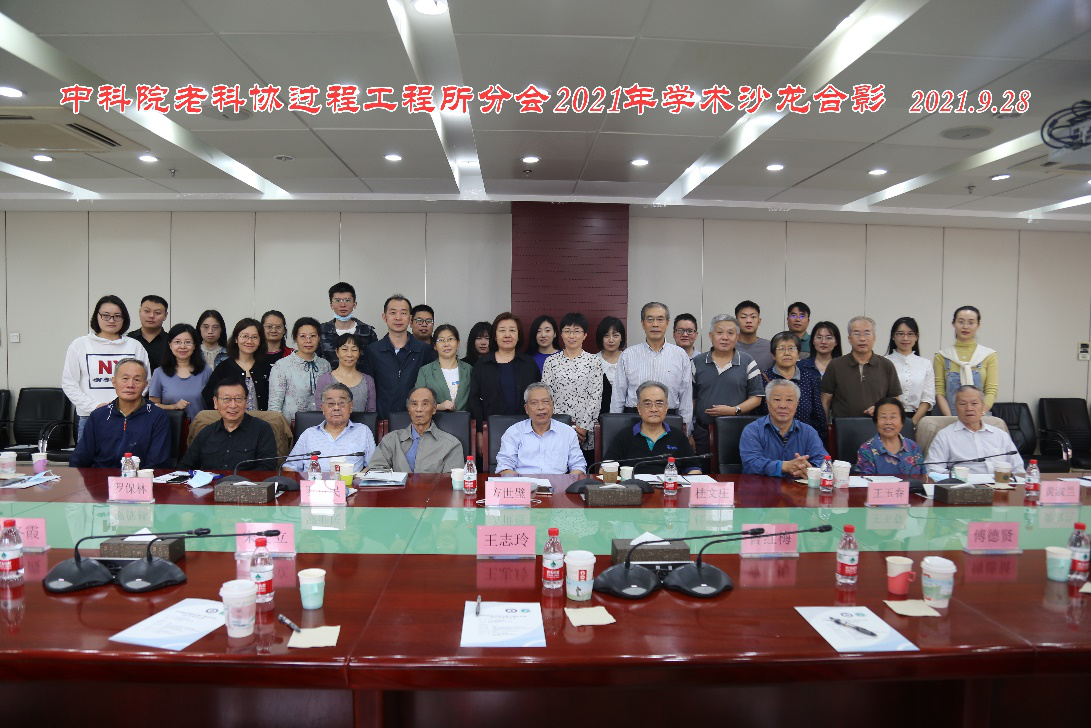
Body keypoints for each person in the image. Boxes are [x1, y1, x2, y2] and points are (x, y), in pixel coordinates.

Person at [62, 295, 150, 441]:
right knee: (88, 456)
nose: (111, 320)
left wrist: (122, 406)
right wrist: (96, 406)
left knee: (128, 456)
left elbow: (145, 381)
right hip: (90, 417)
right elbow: (69, 383)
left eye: (117, 316)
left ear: (124, 318)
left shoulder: (134, 346)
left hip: (128, 417)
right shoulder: (80, 345)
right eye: (106, 315)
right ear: (97, 316)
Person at [71, 358, 171, 468]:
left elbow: (157, 462)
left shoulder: (157, 416)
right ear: (114, 382)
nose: (130, 385)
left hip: (140, 477)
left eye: (137, 380)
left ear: (145, 385)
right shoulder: (99, 416)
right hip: (101, 476)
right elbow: (80, 458)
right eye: (125, 378)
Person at [609, 302, 694, 431]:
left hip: (670, 420)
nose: (655, 324)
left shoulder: (680, 355)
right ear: (643, 323)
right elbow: (618, 397)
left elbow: (686, 400)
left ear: (667, 323)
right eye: (650, 319)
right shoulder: (628, 355)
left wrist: (686, 431)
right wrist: (615, 429)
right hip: (633, 419)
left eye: (660, 319)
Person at [692, 315, 764, 454]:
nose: (725, 337)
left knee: (733, 467)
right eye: (719, 332)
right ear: (711, 336)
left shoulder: (747, 361)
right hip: (702, 432)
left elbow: (756, 398)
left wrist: (734, 410)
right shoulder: (697, 362)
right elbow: (691, 399)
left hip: (737, 431)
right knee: (702, 467)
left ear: (737, 337)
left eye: (730, 333)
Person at [604, 381, 701, 475]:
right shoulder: (624, 436)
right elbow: (604, 469)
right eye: (647, 404)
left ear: (666, 408)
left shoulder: (678, 436)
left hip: (669, 485)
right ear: (639, 408)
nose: (654, 409)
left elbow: (695, 469)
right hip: (634, 485)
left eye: (659, 404)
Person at [181, 377, 278, 471]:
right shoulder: (206, 432)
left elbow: (267, 468)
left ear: (246, 401)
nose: (233, 405)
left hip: (247, 482)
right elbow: (185, 466)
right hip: (212, 482)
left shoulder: (262, 429)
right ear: (215, 402)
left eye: (238, 399)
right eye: (226, 399)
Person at [467, 312, 541, 435]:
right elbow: (474, 401)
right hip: (492, 430)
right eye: (502, 330)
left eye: (512, 330)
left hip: (526, 430)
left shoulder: (529, 364)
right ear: (495, 336)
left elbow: (538, 396)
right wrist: (480, 431)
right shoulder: (482, 365)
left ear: (518, 336)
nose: (507, 335)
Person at [366, 294, 437, 420]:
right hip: (383, 420)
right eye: (393, 313)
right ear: (384, 317)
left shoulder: (424, 350)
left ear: (410, 319)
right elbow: (369, 389)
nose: (398, 318)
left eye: (403, 313)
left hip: (416, 420)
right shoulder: (373, 351)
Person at [926, 385, 1024, 476]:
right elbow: (932, 468)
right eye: (963, 404)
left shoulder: (1000, 435)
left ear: (983, 406)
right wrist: (954, 477)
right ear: (955, 407)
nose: (969, 408)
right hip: (963, 485)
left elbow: (1018, 469)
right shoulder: (945, 435)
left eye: (974, 403)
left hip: (999, 484)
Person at [740, 379, 829, 478]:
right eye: (777, 400)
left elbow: (823, 461)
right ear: (768, 403)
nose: (783, 406)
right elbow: (751, 464)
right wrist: (784, 466)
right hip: (762, 486)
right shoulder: (752, 431)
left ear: (797, 404)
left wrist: (807, 468)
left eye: (789, 400)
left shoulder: (809, 432)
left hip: (798, 487)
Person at [541, 313, 603, 453]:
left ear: (585, 335)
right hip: (557, 427)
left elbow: (596, 396)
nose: (571, 336)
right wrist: (564, 427)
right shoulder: (551, 362)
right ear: (561, 335)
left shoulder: (594, 361)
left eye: (577, 331)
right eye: (567, 331)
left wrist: (583, 427)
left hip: (585, 431)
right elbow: (546, 397)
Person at [495, 384, 586, 476]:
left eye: (545, 402)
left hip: (559, 483)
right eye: (534, 403)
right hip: (524, 483)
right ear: (526, 409)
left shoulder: (568, 432)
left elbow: (579, 466)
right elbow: (504, 467)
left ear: (553, 405)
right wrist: (524, 482)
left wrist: (566, 482)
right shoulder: (513, 432)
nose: (541, 407)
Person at [284, 383, 376, 473]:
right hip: (313, 482)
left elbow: (374, 466)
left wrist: (359, 478)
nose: (336, 408)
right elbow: (290, 466)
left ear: (351, 406)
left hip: (349, 482)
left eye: (342, 403)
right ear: (322, 408)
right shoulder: (308, 434)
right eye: (331, 403)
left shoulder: (363, 431)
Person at [821, 316, 901, 419]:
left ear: (874, 338)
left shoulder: (886, 365)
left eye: (867, 333)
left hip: (877, 425)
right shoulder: (835, 365)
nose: (862, 339)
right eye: (857, 334)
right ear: (849, 339)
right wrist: (825, 426)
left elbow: (895, 401)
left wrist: (880, 408)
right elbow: (825, 401)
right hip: (844, 426)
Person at [369, 386, 463, 473]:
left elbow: (451, 481)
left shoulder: (451, 445)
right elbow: (376, 470)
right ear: (409, 409)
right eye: (414, 404)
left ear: (434, 409)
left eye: (425, 404)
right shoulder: (391, 440)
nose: (419, 409)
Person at [934, 305, 999, 415]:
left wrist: (979, 415)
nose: (965, 326)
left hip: (981, 417)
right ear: (953, 323)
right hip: (949, 418)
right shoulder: (942, 356)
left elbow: (991, 390)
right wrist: (950, 419)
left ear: (978, 325)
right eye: (961, 322)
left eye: (971, 322)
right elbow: (939, 391)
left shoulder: (988, 355)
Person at [759, 331, 826, 436]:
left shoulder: (809, 378)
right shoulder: (762, 379)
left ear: (798, 354)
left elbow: (818, 416)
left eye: (791, 348)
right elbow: (757, 415)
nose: (787, 353)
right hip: (770, 438)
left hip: (804, 439)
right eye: (781, 349)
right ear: (773, 355)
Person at [269, 317, 331, 425]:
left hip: (322, 426)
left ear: (319, 338)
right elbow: (274, 407)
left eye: (313, 336)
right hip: (291, 427)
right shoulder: (282, 366)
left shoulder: (325, 365)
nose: (308, 341)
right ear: (295, 338)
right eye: (303, 336)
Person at [202, 318, 274, 411]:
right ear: (236, 339)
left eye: (255, 337)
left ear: (260, 341)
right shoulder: (223, 368)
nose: (249, 341)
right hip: (230, 419)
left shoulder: (266, 368)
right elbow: (209, 396)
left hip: (261, 419)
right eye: (245, 336)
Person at [149, 323, 211, 421]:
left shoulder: (206, 371)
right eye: (177, 342)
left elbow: (214, 403)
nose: (182, 346)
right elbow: (152, 406)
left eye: (188, 342)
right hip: (169, 426)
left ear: (194, 345)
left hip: (201, 426)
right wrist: (173, 407)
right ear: (170, 345)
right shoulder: (159, 373)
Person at [885, 317, 935, 426]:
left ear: (916, 337)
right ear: (893, 336)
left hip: (921, 419)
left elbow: (928, 398)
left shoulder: (925, 364)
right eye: (900, 334)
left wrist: (912, 423)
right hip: (890, 418)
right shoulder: (884, 362)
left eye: (910, 334)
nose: (905, 338)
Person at [856, 398, 924, 476]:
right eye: (883, 417)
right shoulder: (866, 449)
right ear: (876, 421)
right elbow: (865, 481)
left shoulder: (913, 447)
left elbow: (923, 478)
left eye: (893, 417)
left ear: (902, 421)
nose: (888, 422)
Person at [318, 282, 378, 371]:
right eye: (337, 300)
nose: (342, 305)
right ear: (331, 305)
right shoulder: (321, 331)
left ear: (354, 304)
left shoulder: (367, 332)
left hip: (361, 379)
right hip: (328, 379)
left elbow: (374, 362)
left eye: (347, 300)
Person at [415, 324, 472, 411]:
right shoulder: (425, 371)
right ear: (435, 346)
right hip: (437, 418)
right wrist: (438, 407)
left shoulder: (468, 369)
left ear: (458, 343)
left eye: (450, 339)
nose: (446, 344)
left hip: (464, 419)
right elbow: (413, 402)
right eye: (441, 340)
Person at [313, 334, 376, 412]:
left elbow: (371, 412)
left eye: (354, 350)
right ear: (337, 352)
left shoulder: (368, 381)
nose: (349, 354)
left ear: (359, 353)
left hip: (361, 421)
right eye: (344, 349)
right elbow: (320, 411)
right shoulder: (324, 380)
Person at [127, 294, 169, 371]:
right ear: (140, 312)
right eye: (147, 311)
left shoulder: (171, 341)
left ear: (165, 315)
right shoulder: (128, 339)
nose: (151, 316)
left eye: (157, 313)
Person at [596, 316, 626, 415]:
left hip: (625, 416)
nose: (611, 340)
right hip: (598, 416)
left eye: (615, 335)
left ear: (621, 338)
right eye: (606, 336)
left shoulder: (628, 360)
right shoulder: (593, 361)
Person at [734, 300, 773, 371]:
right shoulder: (728, 346)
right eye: (743, 317)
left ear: (759, 321)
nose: (748, 321)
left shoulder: (770, 347)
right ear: (736, 322)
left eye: (753, 317)